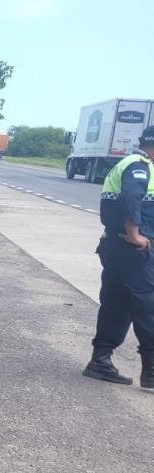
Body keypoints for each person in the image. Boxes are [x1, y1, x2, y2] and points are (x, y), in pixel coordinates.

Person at [85, 126, 154, 388]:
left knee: (117, 303)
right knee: (147, 307)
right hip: (133, 249)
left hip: (114, 246)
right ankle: (151, 372)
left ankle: (100, 361)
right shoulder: (140, 165)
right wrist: (135, 234)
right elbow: (131, 197)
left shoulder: (130, 163)